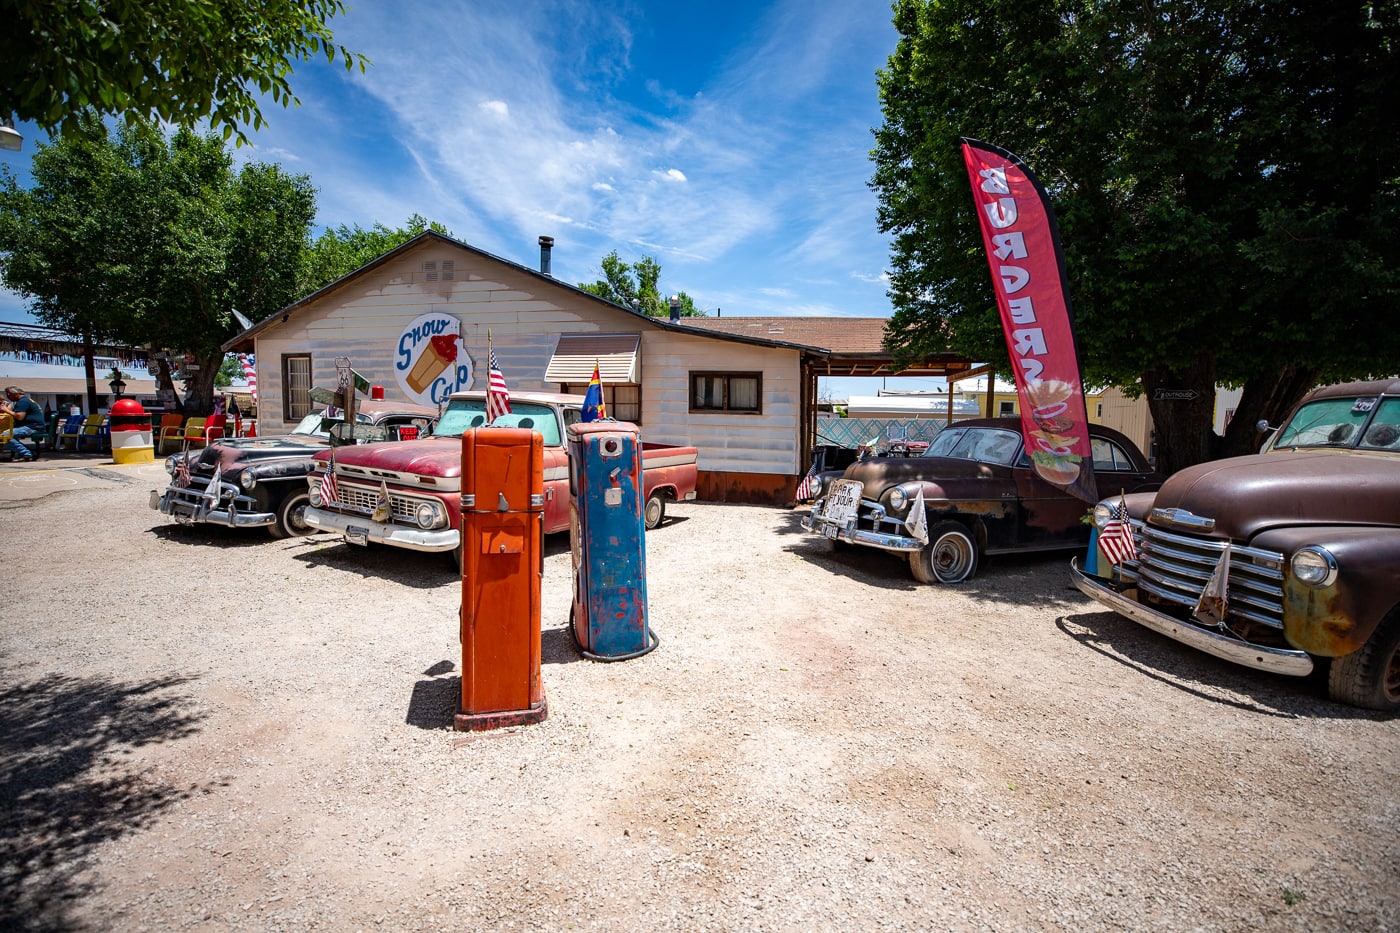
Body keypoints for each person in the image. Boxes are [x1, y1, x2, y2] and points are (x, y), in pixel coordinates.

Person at [1, 385, 46, 461]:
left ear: (15, 394)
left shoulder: (23, 402)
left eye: (9, 394)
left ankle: (27, 454)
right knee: (6, 434)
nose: (8, 397)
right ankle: (21, 453)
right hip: (32, 426)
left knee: (4, 435)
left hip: (33, 427)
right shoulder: (25, 400)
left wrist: (6, 410)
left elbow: (19, 417)